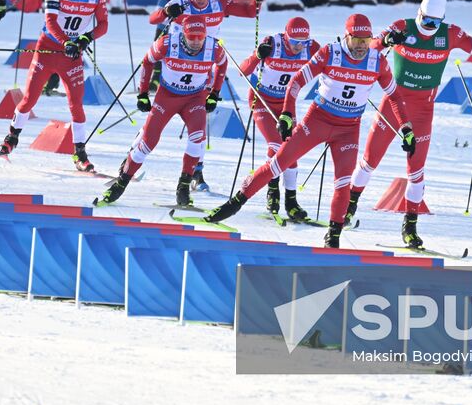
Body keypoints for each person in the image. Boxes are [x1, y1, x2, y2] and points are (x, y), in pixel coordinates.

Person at [203, 13, 403, 248]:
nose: (361, 45)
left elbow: (396, 97)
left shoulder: (376, 61)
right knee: (279, 159)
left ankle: (333, 235)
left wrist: (407, 128)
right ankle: (236, 203)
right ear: (346, 36)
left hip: (348, 129)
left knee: (342, 182)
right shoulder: (328, 52)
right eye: (357, 39)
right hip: (312, 119)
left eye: (366, 40)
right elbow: (295, 81)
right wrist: (286, 110)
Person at [349, 0, 472, 249]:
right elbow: (370, 47)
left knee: (416, 170)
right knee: (369, 160)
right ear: (418, 13)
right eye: (425, 21)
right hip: (393, 103)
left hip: (422, 110)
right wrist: (386, 40)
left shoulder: (450, 33)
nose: (429, 27)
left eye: (434, 23)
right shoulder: (402, 26)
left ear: (442, 20)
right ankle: (347, 209)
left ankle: (410, 227)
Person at [0, 0, 108, 172]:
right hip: (48, 48)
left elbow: (103, 25)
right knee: (30, 97)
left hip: (71, 55)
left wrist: (85, 38)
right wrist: (66, 42)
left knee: (76, 104)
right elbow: (50, 21)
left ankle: (79, 153)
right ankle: (11, 139)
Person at [95, 16, 229, 209]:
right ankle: (122, 182)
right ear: (183, 35)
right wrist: (142, 93)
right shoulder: (167, 43)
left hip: (195, 98)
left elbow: (223, 65)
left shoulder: (213, 48)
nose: (196, 42)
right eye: (192, 38)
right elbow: (147, 62)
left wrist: (214, 93)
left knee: (197, 138)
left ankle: (183, 187)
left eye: (200, 38)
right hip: (167, 97)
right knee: (148, 143)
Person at [235, 16, 320, 221]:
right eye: (295, 42)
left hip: (286, 105)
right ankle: (273, 191)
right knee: (276, 143)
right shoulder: (272, 44)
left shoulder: (312, 47)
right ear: (286, 36)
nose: (299, 47)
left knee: (292, 149)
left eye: (303, 42)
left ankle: (291, 202)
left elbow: (331, 67)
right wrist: (257, 55)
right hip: (261, 100)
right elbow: (242, 71)